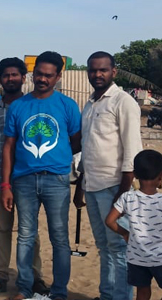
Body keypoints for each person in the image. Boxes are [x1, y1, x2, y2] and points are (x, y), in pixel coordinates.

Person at [1, 51, 81, 300]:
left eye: (48, 75)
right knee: (25, 235)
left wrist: (56, 159)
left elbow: (77, 142)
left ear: (58, 76)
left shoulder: (67, 106)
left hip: (57, 180)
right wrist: (6, 184)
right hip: (23, 180)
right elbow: (9, 147)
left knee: (59, 238)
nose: (42, 79)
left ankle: (59, 292)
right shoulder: (18, 106)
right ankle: (25, 289)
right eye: (39, 74)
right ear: (32, 74)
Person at [0, 58, 48, 297]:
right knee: (2, 230)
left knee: (30, 231)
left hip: (29, 179)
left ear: (23, 77)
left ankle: (34, 276)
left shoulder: (33, 106)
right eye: (6, 75)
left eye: (15, 75)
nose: (10, 79)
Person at [77, 51, 143, 300]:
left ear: (113, 72)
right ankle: (107, 295)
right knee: (103, 246)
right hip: (92, 185)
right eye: (93, 70)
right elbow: (87, 148)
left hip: (114, 187)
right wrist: (80, 187)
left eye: (103, 70)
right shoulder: (90, 104)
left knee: (118, 247)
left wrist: (123, 195)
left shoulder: (123, 101)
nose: (97, 74)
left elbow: (132, 151)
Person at [106, 150, 162, 300]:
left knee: (142, 292)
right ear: (160, 176)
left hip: (137, 258)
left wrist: (125, 233)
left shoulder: (127, 197)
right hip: (160, 258)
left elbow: (110, 221)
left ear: (135, 175)